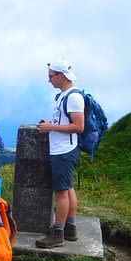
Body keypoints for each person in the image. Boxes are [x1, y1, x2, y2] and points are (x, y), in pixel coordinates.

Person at [35, 58, 84, 248]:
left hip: (64, 150)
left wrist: (50, 128)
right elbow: (66, 121)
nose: (49, 80)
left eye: (51, 76)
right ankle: (70, 229)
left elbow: (78, 126)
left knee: (61, 193)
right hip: (64, 149)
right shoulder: (64, 95)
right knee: (68, 189)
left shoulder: (73, 97)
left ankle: (58, 234)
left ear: (61, 75)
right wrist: (51, 123)